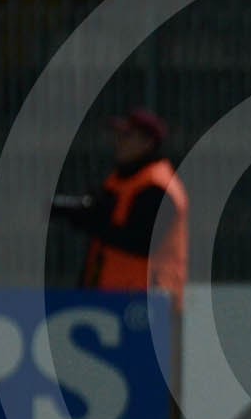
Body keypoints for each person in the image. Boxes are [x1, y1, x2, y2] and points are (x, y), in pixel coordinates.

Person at [53, 108, 190, 308]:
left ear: (147, 142)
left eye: (127, 136)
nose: (119, 142)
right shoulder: (121, 179)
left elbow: (141, 242)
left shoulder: (158, 186)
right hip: (114, 299)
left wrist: (89, 221)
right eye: (118, 135)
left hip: (150, 303)